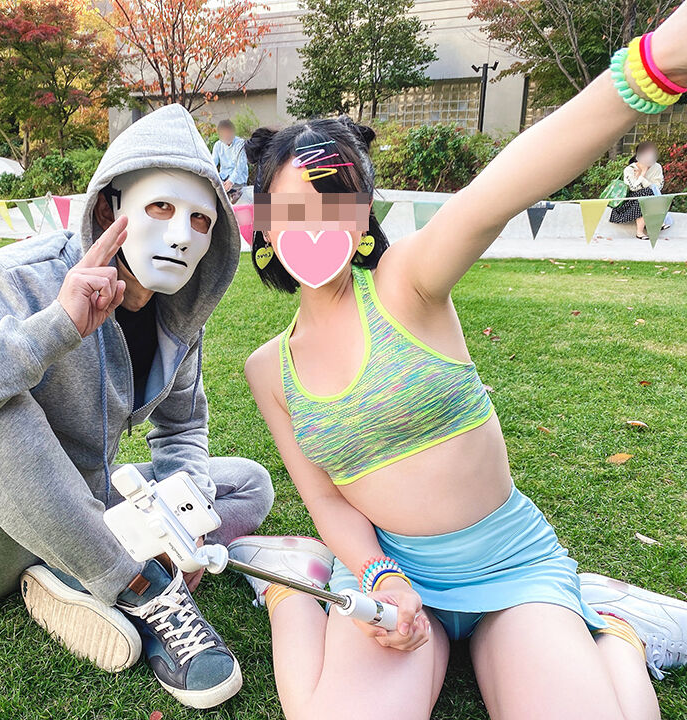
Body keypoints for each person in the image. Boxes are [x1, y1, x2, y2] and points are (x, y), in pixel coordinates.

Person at [225, 10, 687, 719]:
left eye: (335, 202)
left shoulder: (408, 283)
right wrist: (378, 576)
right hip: (392, 572)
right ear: (263, 222)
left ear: (363, 214)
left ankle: (620, 630)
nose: (314, 223)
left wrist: (652, 64)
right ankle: (291, 587)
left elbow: (501, 190)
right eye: (292, 206)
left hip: (511, 565)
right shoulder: (268, 369)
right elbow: (326, 499)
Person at [0, 105, 273, 709]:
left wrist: (185, 522)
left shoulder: (179, 313)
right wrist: (52, 329)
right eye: (161, 207)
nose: (183, 234)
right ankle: (142, 588)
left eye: (201, 220)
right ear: (108, 210)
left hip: (77, 508)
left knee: (246, 483)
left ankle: (75, 571)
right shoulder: (22, 277)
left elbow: (182, 426)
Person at [610, 141, 670, 238]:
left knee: (647, 194)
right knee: (645, 195)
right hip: (629, 203)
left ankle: (642, 231)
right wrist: (642, 173)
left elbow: (657, 187)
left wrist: (642, 179)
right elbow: (633, 188)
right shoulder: (630, 169)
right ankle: (650, 225)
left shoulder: (657, 167)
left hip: (650, 198)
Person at [212, 119, 248, 203]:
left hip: (238, 181)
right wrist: (218, 180)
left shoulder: (240, 144)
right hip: (223, 179)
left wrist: (231, 181)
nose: (227, 136)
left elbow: (240, 167)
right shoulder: (217, 145)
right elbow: (213, 163)